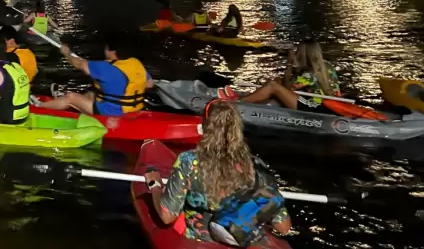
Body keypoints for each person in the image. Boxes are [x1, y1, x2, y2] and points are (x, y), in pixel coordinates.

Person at [143, 100, 291, 245]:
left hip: (201, 241)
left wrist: (155, 185)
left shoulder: (189, 161)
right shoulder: (255, 165)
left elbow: (167, 217)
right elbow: (283, 227)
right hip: (241, 240)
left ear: (204, 126)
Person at [36, 41, 152, 116]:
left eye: (106, 49)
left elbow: (78, 64)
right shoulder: (135, 63)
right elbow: (149, 84)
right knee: (91, 93)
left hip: (112, 112)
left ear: (112, 51)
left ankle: (39, 106)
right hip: (134, 109)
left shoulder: (105, 67)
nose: (105, 51)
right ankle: (66, 106)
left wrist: (67, 53)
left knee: (71, 97)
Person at [233, 41, 340, 111]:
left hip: (314, 106)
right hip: (328, 105)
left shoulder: (309, 74)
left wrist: (290, 63)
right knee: (277, 81)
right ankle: (254, 98)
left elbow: (288, 88)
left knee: (273, 85)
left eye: (297, 51)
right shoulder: (327, 66)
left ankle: (237, 103)